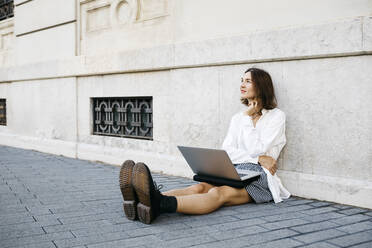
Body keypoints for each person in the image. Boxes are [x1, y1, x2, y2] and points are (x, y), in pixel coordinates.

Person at [119, 67, 290, 224]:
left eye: (247, 81)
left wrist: (249, 122)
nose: (242, 85)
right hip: (235, 170)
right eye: (241, 80)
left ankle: (160, 204)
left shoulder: (276, 116)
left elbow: (256, 147)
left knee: (218, 193)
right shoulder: (238, 118)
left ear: (261, 85)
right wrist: (259, 158)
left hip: (260, 178)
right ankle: (145, 200)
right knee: (198, 187)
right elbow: (228, 151)